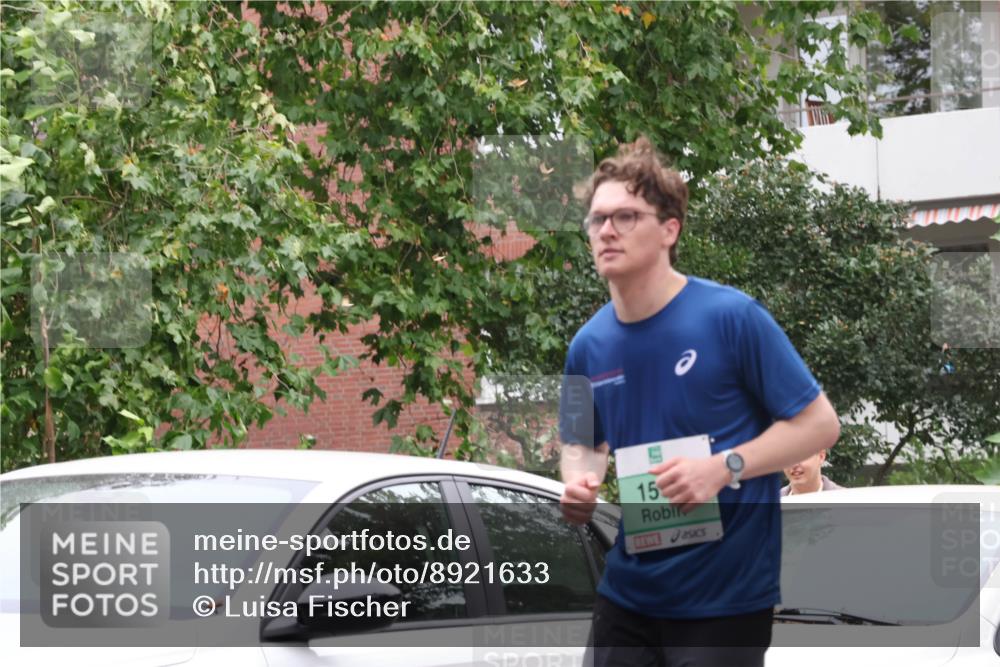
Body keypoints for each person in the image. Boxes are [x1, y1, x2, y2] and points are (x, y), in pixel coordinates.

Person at [557, 135, 841, 667]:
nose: (607, 230)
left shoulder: (732, 318)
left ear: (669, 229)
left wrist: (723, 467)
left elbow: (820, 425)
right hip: (628, 593)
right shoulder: (586, 346)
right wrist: (579, 484)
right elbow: (581, 444)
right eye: (597, 219)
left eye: (625, 216)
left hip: (724, 602)